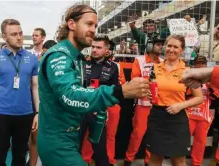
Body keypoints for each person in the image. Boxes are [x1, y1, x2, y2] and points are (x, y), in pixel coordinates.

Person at [36, 4, 150, 166]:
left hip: (69, 139)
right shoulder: (59, 55)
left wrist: (94, 106)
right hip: (57, 142)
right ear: (71, 24)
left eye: (95, 26)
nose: (93, 29)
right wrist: (120, 92)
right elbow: (69, 96)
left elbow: (77, 93)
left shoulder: (77, 57)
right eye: (88, 24)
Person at [0, 19, 39, 166]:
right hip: (1, 114)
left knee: (19, 157)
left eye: (20, 33)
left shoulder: (31, 58)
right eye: (13, 34)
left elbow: (36, 86)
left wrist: (38, 112)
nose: (19, 37)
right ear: (4, 37)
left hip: (25, 114)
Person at [146, 35, 203, 166]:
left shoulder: (187, 71)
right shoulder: (154, 68)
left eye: (176, 47)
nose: (171, 49)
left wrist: (181, 105)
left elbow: (200, 97)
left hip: (178, 118)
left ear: (182, 50)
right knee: (154, 157)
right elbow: (151, 89)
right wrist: (148, 94)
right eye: (169, 46)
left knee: (179, 160)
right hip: (157, 117)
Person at [80, 35, 120, 166]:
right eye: (93, 47)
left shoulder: (113, 67)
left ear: (107, 50)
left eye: (98, 47)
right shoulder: (82, 63)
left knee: (100, 149)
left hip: (100, 112)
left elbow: (115, 91)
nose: (94, 50)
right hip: (81, 110)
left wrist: (105, 108)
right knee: (75, 145)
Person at [124, 38, 164, 166]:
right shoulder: (139, 60)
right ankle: (128, 159)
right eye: (158, 45)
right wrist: (152, 81)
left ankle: (148, 161)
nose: (161, 47)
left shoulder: (163, 62)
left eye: (162, 45)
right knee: (138, 133)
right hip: (142, 104)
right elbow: (135, 80)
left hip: (158, 105)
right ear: (150, 45)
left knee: (154, 134)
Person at [186, 56, 219, 166]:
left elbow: (217, 94)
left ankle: (196, 163)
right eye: (198, 63)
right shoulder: (188, 78)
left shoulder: (211, 79)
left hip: (204, 116)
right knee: (183, 140)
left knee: (200, 142)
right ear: (194, 65)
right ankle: (178, 161)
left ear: (206, 66)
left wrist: (210, 87)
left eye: (203, 64)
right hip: (189, 114)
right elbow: (184, 94)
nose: (201, 66)